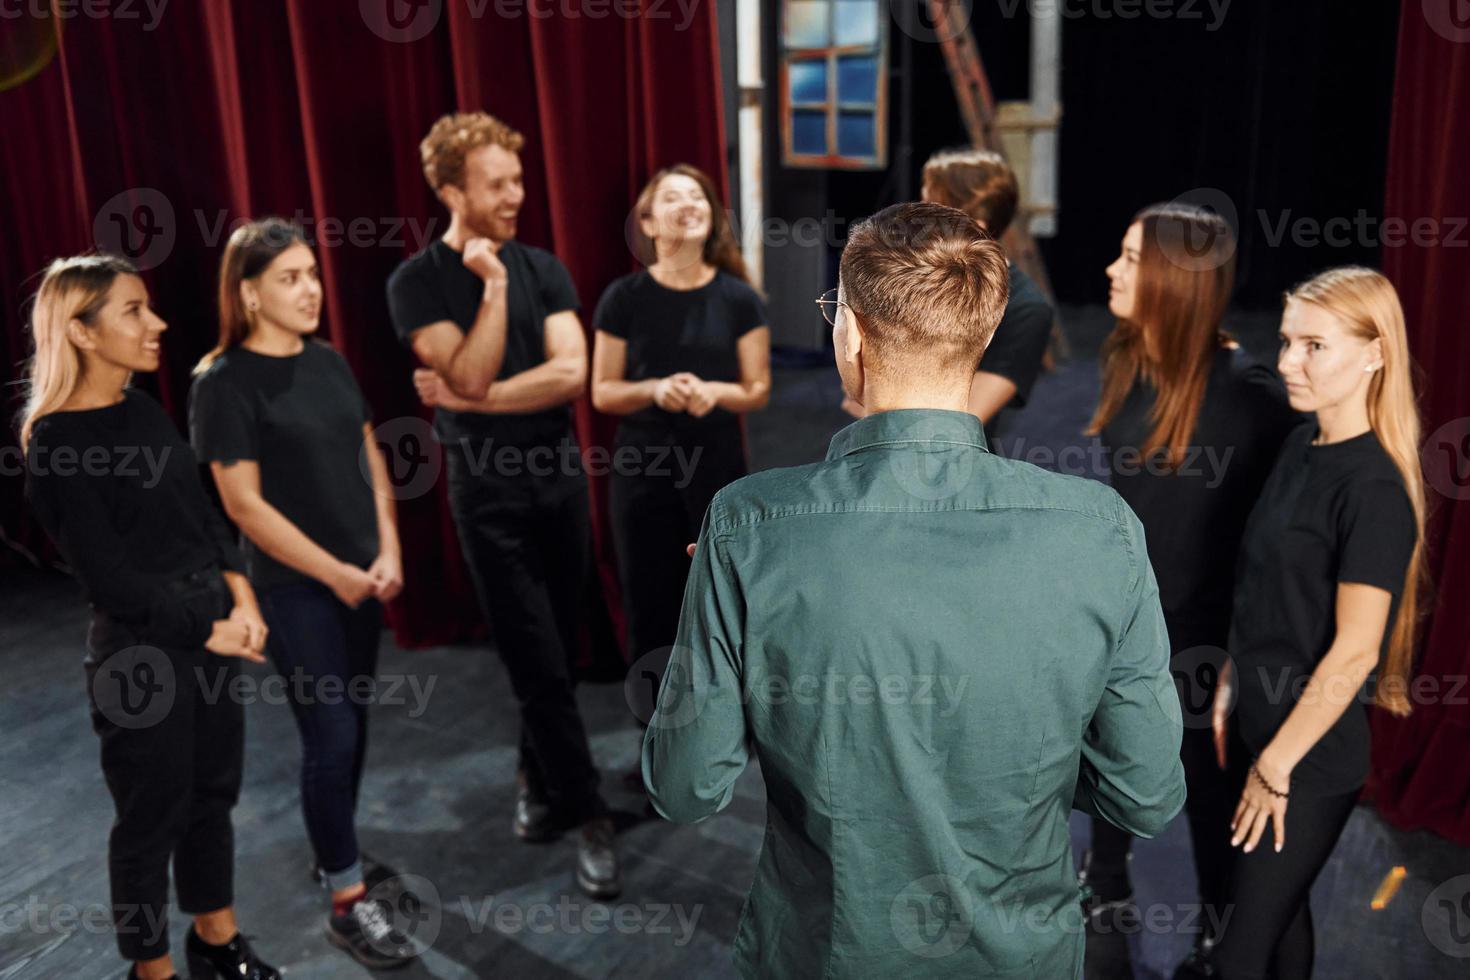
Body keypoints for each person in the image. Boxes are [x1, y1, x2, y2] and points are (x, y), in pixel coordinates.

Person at [643, 202, 1186, 979]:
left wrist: (727, 619)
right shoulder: (1102, 529)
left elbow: (686, 787)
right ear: (981, 333)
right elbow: (1145, 796)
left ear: (852, 335)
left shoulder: (747, 527)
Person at [19, 254, 280, 980]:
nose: (157, 322)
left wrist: (242, 594)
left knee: (212, 798)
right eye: (133, 310)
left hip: (210, 623)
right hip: (142, 655)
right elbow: (112, 580)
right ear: (81, 331)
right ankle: (152, 971)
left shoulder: (142, 409)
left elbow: (200, 514)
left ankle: (218, 946)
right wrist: (209, 628)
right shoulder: (57, 444)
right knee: (148, 824)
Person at [387, 111, 619, 898]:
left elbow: (569, 374)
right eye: (498, 184)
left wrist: (468, 400)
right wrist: (489, 289)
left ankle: (534, 775)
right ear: (452, 190)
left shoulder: (546, 267)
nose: (517, 194)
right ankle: (588, 811)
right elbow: (476, 368)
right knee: (532, 655)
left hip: (559, 478)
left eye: (518, 179)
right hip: (485, 493)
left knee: (557, 644)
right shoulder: (415, 283)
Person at [1078, 203, 1302, 978]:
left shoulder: (1252, 400)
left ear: (1173, 280)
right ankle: (1104, 882)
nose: (1113, 269)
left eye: (1132, 258)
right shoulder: (1124, 360)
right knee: (1103, 753)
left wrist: (1243, 659)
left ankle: (1216, 932)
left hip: (1205, 639)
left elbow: (1273, 549)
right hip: (1120, 618)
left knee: (1208, 792)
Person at [189, 219, 417, 968]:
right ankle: (348, 903)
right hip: (293, 591)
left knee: (350, 727)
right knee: (331, 735)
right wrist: (337, 572)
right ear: (248, 293)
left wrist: (385, 544)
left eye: (311, 274)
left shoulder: (328, 361)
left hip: (359, 578)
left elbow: (369, 456)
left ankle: (336, 854)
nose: (310, 288)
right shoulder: (221, 382)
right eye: (289, 278)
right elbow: (245, 507)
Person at [1210, 267, 1426, 980]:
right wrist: (1233, 682)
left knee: (1240, 951)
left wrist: (1273, 767)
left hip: (1306, 759)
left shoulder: (1373, 490)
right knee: (1280, 921)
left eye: (1313, 346)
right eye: (1285, 342)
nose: (1285, 362)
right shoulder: (1300, 446)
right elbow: (1265, 584)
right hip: (1259, 724)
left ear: (1374, 354)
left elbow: (1357, 653)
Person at [590, 163, 770, 754]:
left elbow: (757, 388)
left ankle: (719, 729)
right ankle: (655, 734)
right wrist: (656, 389)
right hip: (643, 472)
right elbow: (603, 391)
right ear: (648, 221)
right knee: (649, 600)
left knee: (718, 601)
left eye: (698, 195)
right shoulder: (624, 298)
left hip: (717, 471)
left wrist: (712, 393)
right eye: (672, 197)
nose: (688, 203)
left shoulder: (740, 297)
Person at [844, 148, 1054, 447]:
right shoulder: (913, 280)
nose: (914, 219)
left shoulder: (1026, 309)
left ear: (974, 225)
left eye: (931, 209)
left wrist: (876, 395)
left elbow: (955, 421)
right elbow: (857, 389)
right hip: (883, 448)